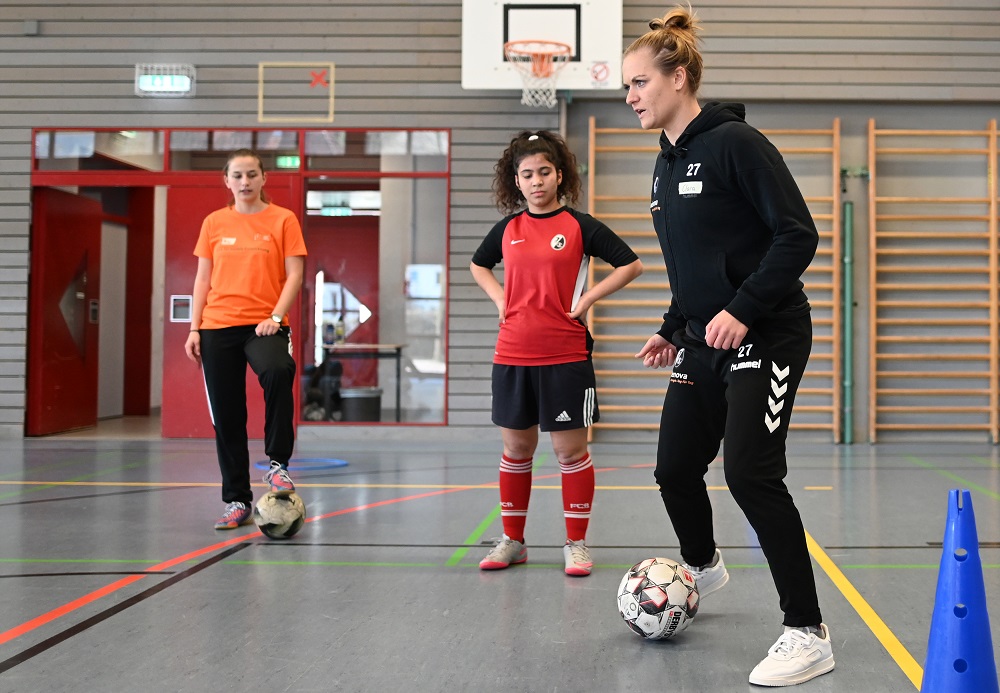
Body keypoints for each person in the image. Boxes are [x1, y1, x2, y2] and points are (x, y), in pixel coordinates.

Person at [623, 5, 834, 687]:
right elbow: (696, 260)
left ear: (678, 77)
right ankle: (704, 566)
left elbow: (797, 235)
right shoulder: (664, 164)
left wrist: (743, 310)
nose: (630, 97)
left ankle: (807, 630)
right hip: (704, 338)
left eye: (638, 83)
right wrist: (670, 324)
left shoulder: (736, 143)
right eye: (626, 87)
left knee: (749, 472)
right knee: (674, 467)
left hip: (766, 333)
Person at [470, 130, 643, 576]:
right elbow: (478, 264)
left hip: (565, 356)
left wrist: (586, 301)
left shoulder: (580, 226)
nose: (536, 181)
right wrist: (499, 297)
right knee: (516, 449)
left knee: (570, 453)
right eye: (526, 174)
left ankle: (576, 544)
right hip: (512, 355)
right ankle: (513, 541)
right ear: (516, 181)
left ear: (559, 175)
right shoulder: (508, 229)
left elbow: (631, 263)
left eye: (544, 172)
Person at [185, 149, 308, 530]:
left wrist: (274, 317)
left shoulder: (283, 220)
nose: (245, 181)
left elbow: (295, 275)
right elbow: (203, 279)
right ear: (227, 181)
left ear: (263, 178)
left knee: (277, 370)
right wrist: (193, 327)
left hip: (264, 326)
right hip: (217, 326)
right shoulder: (214, 223)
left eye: (252, 174)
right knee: (228, 416)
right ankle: (236, 500)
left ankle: (277, 466)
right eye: (237, 175)